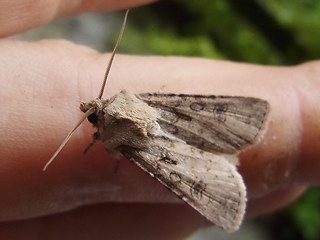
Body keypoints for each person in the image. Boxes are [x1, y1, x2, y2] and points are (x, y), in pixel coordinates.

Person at [0, 0, 319, 239]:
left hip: (155, 154)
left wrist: (101, 139)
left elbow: (111, 148)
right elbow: (113, 144)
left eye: (95, 121)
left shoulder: (116, 139)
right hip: (171, 114)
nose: (95, 114)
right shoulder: (133, 108)